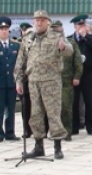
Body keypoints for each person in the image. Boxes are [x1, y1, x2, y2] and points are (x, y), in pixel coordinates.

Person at [14, 10, 73, 159]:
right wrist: (19, 80)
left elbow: (69, 51)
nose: (39, 23)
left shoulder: (56, 36)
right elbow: (20, 61)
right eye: (36, 20)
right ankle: (38, 146)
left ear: (48, 22)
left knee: (53, 114)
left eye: (42, 20)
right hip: (33, 82)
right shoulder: (28, 38)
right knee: (36, 114)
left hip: (51, 82)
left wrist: (63, 47)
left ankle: (57, 147)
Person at [69, 14, 92, 135]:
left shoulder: (91, 39)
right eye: (79, 25)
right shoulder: (70, 39)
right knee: (74, 102)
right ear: (75, 26)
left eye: (83, 24)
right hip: (74, 76)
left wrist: (86, 37)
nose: (81, 27)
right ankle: (74, 126)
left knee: (90, 101)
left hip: (88, 74)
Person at [0, 16, 21, 142]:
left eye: (6, 28)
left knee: (11, 109)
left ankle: (10, 132)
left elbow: (19, 65)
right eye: (1, 29)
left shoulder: (16, 45)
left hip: (12, 83)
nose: (4, 31)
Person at [51, 20, 82, 141]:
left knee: (66, 108)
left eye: (58, 28)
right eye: (54, 28)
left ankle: (67, 131)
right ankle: (54, 132)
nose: (57, 30)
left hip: (66, 81)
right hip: (51, 81)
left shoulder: (71, 43)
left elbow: (78, 62)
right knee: (53, 109)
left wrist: (77, 76)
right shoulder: (48, 44)